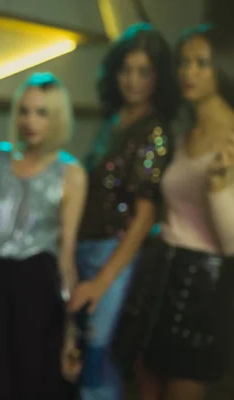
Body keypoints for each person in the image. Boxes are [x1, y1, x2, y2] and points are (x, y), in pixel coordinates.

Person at [112, 24, 234, 400]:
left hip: (205, 283)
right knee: (145, 382)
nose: (188, 72)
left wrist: (218, 190)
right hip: (160, 271)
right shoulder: (182, 134)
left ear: (224, 69)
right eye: (183, 63)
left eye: (201, 63)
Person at [0, 72, 88, 399]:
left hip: (38, 292)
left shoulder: (70, 173)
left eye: (42, 112)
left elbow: (67, 256)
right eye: (24, 111)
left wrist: (71, 334)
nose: (30, 120)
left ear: (57, 118)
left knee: (31, 386)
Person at [68, 23, 179, 400]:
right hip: (87, 247)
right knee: (83, 365)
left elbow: (146, 215)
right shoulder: (114, 122)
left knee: (99, 368)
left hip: (114, 257)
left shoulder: (155, 131)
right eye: (125, 69)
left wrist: (103, 280)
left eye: (143, 71)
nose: (132, 80)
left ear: (158, 78)